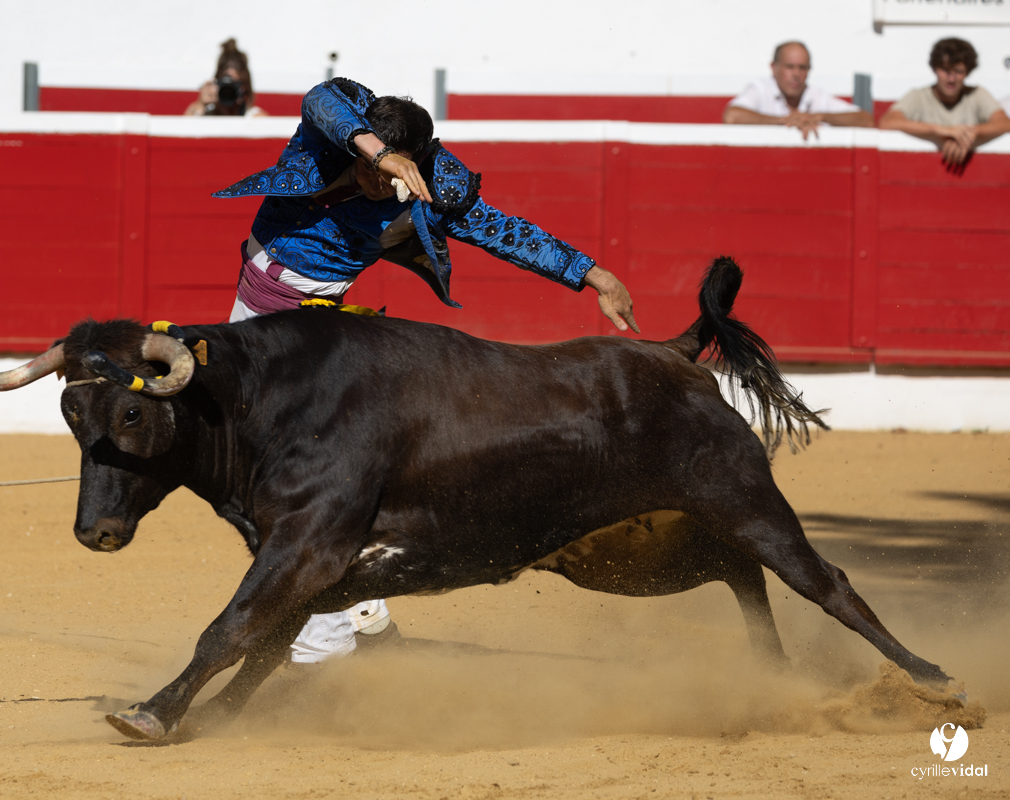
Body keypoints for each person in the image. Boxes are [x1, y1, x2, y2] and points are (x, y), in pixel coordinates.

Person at [212, 77, 638, 665]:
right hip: (254, 309)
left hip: (309, 332)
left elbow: (505, 233)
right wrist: (377, 152)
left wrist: (592, 275)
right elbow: (322, 98)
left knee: (287, 490)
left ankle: (322, 645)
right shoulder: (332, 130)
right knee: (275, 476)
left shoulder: (439, 183)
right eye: (371, 168)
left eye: (390, 176)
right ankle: (365, 614)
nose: (376, 184)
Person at [879, 38, 1010, 168]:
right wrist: (940, 131)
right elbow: (887, 122)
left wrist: (966, 136)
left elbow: (1005, 123)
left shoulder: (977, 94)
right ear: (935, 69)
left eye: (958, 71)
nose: (951, 79)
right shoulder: (918, 96)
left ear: (967, 72)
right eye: (945, 70)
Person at [723, 41, 874, 140]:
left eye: (802, 68)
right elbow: (732, 116)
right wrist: (783, 120)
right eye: (789, 67)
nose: (796, 74)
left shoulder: (816, 95)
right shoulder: (761, 89)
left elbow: (866, 120)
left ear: (808, 70)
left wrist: (817, 116)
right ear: (773, 68)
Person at [184, 38, 266, 117]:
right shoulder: (206, 115)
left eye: (234, 85)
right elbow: (184, 128)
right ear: (216, 86)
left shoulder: (256, 118)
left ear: (244, 87)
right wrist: (200, 105)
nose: (228, 92)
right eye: (225, 87)